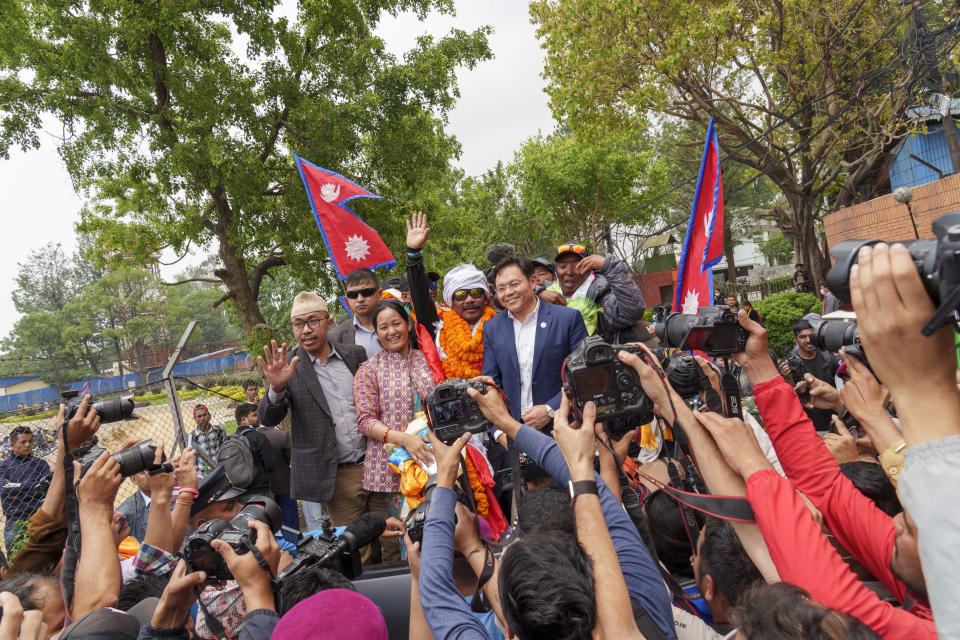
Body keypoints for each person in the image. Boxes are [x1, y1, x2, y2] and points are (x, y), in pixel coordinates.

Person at [257, 292, 369, 535]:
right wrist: (276, 388)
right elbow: (267, 418)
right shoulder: (289, 367)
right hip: (336, 476)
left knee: (391, 540)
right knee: (357, 547)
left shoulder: (355, 355)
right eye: (298, 324)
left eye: (312, 321)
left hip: (375, 465)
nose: (305, 330)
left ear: (329, 322)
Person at [353, 300, 436, 562]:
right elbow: (366, 421)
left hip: (433, 461)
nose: (391, 332)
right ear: (376, 333)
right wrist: (405, 440)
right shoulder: (369, 369)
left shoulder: (428, 360)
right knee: (409, 532)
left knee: (439, 523)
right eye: (383, 327)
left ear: (408, 325)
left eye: (396, 323)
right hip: (394, 471)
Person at [482, 256, 588, 430]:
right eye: (501, 288)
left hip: (562, 429)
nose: (508, 292)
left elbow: (583, 375)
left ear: (532, 282)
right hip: (514, 433)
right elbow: (491, 383)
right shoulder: (492, 327)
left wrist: (550, 410)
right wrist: (499, 432)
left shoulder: (567, 319)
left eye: (514, 284)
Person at [405, 213, 498, 381]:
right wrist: (413, 253)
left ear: (486, 297)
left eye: (476, 293)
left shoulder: (503, 326)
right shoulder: (438, 327)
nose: (469, 300)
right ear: (451, 302)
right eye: (461, 295)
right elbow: (421, 297)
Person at [544, 241, 646, 338]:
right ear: (556, 271)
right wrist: (538, 292)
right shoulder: (543, 296)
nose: (569, 272)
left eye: (577, 266)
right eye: (563, 266)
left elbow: (633, 311)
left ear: (589, 269)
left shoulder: (601, 297)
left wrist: (609, 265)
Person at [0, 426, 52, 558]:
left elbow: (48, 489)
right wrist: (35, 486)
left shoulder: (41, 464)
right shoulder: (3, 466)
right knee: (17, 560)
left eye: (30, 441)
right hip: (16, 519)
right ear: (12, 444)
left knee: (48, 558)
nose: (28, 445)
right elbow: (4, 489)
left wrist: (16, 489)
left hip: (40, 516)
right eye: (23, 442)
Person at [778, 320, 839, 431]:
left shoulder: (829, 359)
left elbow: (842, 384)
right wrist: (787, 378)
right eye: (803, 337)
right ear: (795, 340)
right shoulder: (787, 364)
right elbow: (783, 398)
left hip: (831, 424)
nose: (808, 340)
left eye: (811, 336)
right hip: (804, 427)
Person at [328, 268, 384, 358]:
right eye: (353, 295)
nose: (360, 299)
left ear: (380, 294)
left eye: (366, 292)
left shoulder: (402, 324)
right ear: (347, 298)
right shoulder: (335, 337)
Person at [257, 421, 297, 530]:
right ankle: (295, 542)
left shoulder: (252, 437)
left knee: (271, 518)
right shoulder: (282, 435)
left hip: (264, 486)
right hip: (284, 481)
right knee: (291, 517)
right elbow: (289, 457)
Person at [233, 403, 276, 496]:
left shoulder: (232, 439)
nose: (258, 418)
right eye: (255, 415)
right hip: (260, 488)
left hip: (240, 491)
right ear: (244, 420)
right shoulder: (258, 437)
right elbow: (271, 464)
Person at [186, 404, 226, 475]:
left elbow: (225, 449)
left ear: (209, 416)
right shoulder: (192, 437)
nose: (202, 418)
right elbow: (191, 459)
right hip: (203, 473)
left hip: (220, 469)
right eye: (199, 416)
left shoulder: (219, 430)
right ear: (195, 419)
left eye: (204, 415)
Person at [117, 469, 153, 542]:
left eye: (153, 469)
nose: (151, 475)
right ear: (134, 479)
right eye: (143, 473)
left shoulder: (176, 493)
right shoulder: (124, 515)